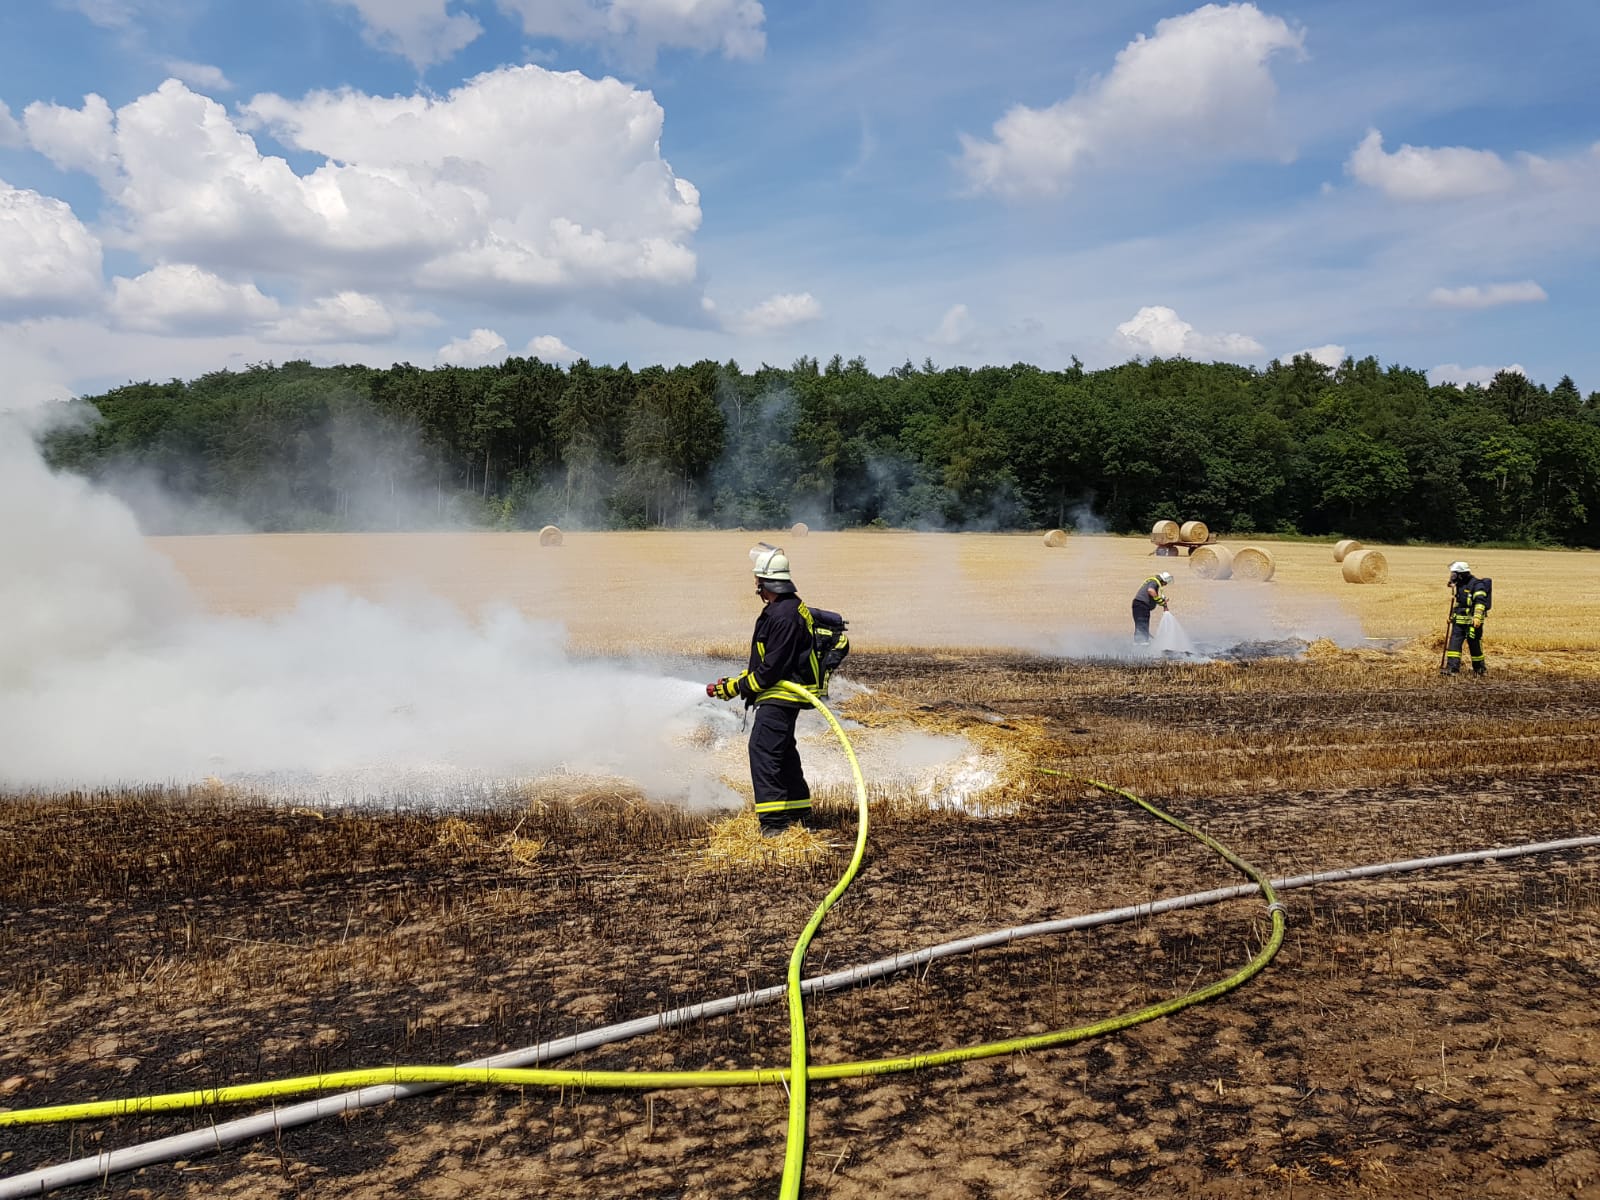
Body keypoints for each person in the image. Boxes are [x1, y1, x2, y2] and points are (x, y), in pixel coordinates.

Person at [706, 545, 816, 837]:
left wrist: (739, 687)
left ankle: (775, 825)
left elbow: (771, 671)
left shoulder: (784, 615)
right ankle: (799, 813)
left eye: (757, 579)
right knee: (782, 751)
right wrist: (737, 683)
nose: (755, 584)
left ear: (766, 582)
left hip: (780, 696)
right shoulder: (785, 609)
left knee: (763, 750)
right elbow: (769, 663)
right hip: (779, 694)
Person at [1442, 560, 1488, 675]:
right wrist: (1452, 615)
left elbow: (1480, 602)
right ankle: (1452, 669)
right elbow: (1459, 603)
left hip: (1473, 622)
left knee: (1474, 645)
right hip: (1459, 621)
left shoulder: (1477, 585)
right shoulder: (1460, 585)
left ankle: (1480, 669)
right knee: (1454, 645)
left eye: (1454, 574)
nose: (1452, 576)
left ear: (1461, 574)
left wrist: (1477, 617)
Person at [1132, 571, 1173, 644]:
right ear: (1163, 581)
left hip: (1141, 606)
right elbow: (1150, 590)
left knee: (1142, 625)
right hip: (1141, 605)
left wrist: (1162, 603)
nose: (1165, 584)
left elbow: (1153, 596)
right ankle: (1142, 643)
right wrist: (1159, 600)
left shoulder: (1154, 582)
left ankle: (1140, 642)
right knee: (1142, 624)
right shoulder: (1154, 582)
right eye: (1165, 583)